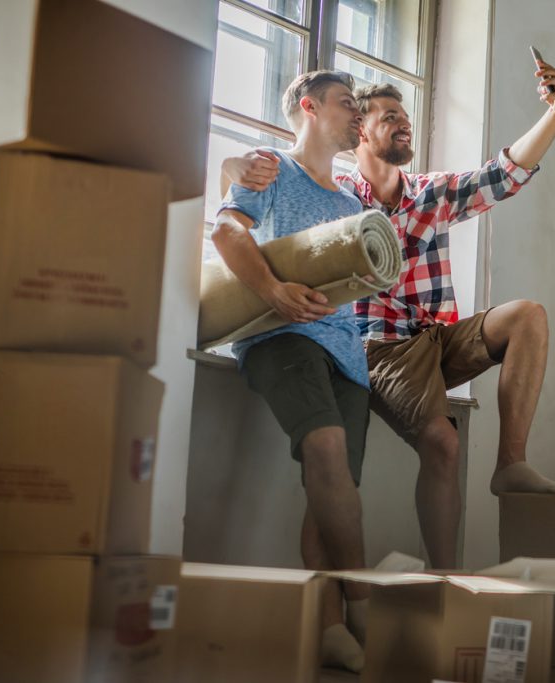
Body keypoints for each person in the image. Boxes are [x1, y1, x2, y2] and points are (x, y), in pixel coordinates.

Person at [222, 58, 555, 570]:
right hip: (380, 347)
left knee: (528, 316)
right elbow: (247, 187)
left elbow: (505, 174)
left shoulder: (431, 193)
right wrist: (235, 168)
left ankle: (511, 464)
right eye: (388, 116)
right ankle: (441, 577)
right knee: (442, 444)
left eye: (404, 117)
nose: (403, 123)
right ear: (358, 129)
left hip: (436, 338)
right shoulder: (341, 199)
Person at [212, 70, 370, 672]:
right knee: (325, 447)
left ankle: (330, 625)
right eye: (346, 104)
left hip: (346, 353)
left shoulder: (352, 202)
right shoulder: (269, 168)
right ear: (308, 107)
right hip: (279, 336)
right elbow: (227, 231)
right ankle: (362, 599)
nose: (357, 115)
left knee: (330, 492)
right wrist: (274, 291)